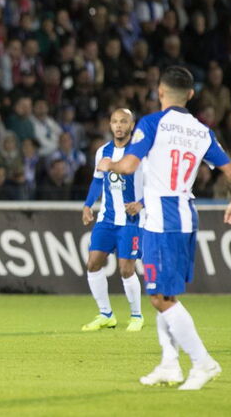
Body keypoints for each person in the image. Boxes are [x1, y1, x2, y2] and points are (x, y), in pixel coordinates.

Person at [98, 66, 231, 391]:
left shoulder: (151, 124)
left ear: (160, 92)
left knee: (161, 298)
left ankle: (203, 362)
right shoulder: (201, 130)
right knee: (164, 292)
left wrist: (111, 165)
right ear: (190, 95)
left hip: (162, 220)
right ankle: (169, 364)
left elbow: (129, 165)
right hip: (185, 213)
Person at [80, 109, 145, 333]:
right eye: (115, 121)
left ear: (131, 125)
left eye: (123, 121)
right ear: (110, 124)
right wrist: (88, 205)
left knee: (126, 269)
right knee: (93, 263)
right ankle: (106, 314)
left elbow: (155, 184)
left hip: (131, 220)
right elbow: (97, 181)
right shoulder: (103, 152)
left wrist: (141, 203)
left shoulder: (140, 153)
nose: (119, 125)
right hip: (107, 219)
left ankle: (137, 316)